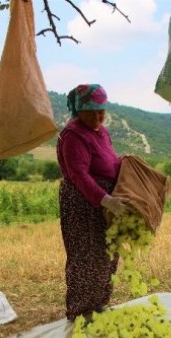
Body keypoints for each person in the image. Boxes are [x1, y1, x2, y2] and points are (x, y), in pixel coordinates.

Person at [56, 84, 130, 322]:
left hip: (105, 203)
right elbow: (80, 175)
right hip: (83, 204)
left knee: (107, 254)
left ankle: (99, 305)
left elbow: (108, 160)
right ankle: (80, 311)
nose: (98, 116)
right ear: (79, 111)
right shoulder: (73, 135)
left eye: (102, 111)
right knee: (86, 256)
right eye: (92, 111)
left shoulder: (101, 132)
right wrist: (105, 200)